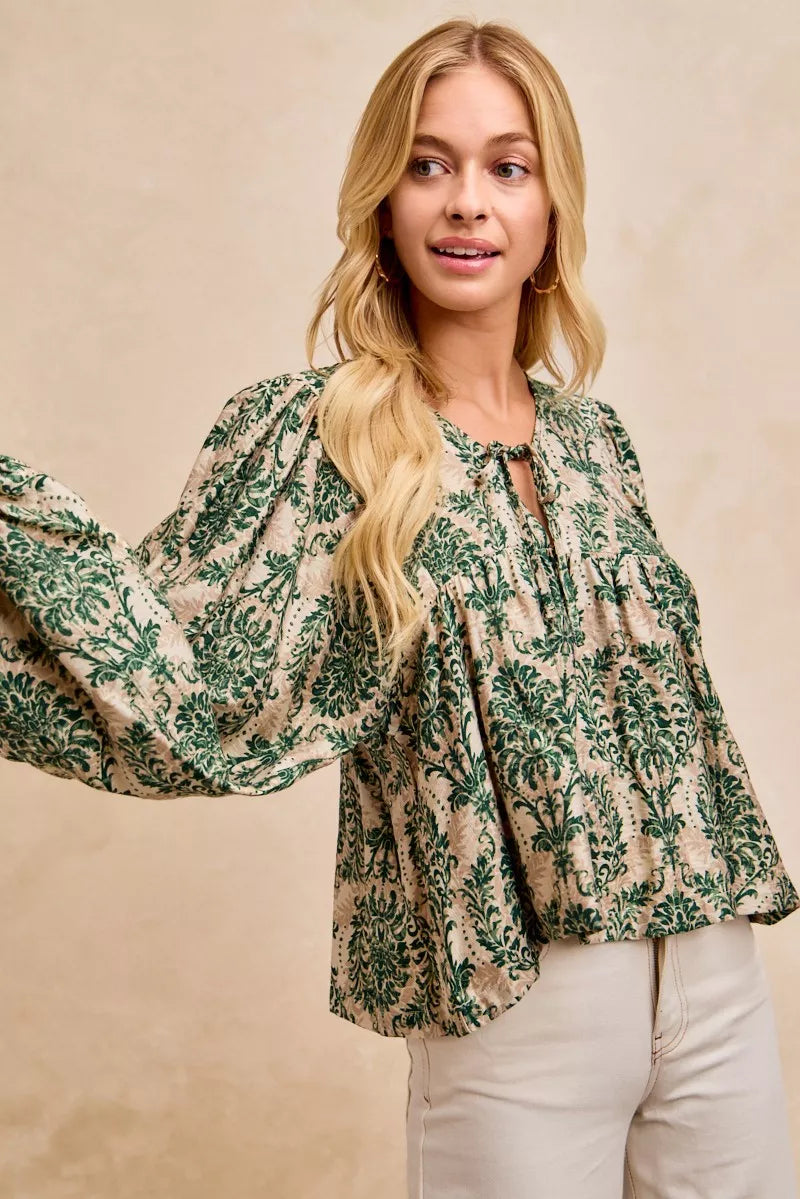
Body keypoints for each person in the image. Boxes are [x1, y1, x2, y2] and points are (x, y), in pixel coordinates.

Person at [0, 15, 797, 1199]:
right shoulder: (325, 435)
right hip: (516, 999)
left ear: (550, 211)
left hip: (713, 976)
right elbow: (175, 681)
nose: (466, 201)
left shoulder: (594, 441)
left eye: (506, 167)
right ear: (383, 202)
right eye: (428, 164)